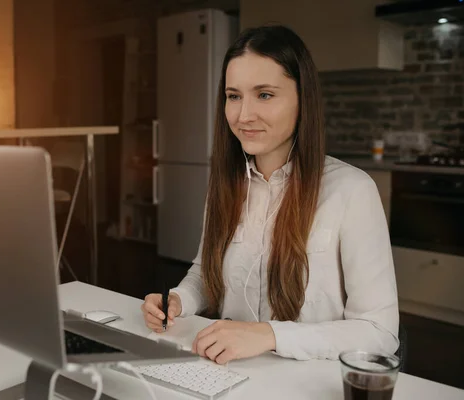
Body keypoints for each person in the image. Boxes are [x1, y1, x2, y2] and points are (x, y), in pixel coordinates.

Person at [141, 25, 399, 364]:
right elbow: (206, 273)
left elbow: (379, 332)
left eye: (264, 95)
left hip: (309, 384)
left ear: (302, 99)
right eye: (234, 96)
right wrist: (177, 300)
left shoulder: (352, 191)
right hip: (228, 372)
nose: (243, 115)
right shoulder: (226, 184)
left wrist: (269, 335)